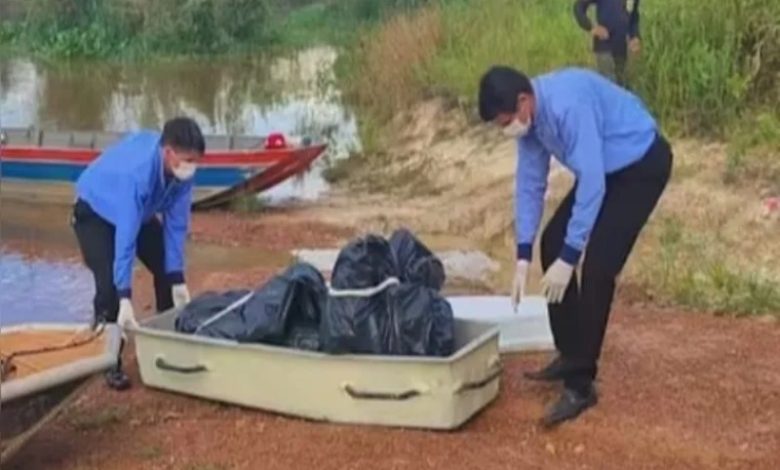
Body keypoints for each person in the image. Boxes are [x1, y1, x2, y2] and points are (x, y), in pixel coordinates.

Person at [478, 66, 672, 426]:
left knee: (598, 265)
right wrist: (523, 254)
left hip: (642, 164)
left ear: (523, 101)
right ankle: (570, 353)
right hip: (607, 168)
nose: (505, 130)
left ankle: (581, 385)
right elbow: (530, 185)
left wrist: (571, 256)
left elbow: (592, 183)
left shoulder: (568, 105)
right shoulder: (530, 124)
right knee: (552, 241)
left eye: (505, 122)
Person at [71, 117, 205, 390]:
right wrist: (125, 297)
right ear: (169, 153)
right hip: (95, 211)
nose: (192, 166)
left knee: (166, 269)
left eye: (196, 160)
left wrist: (177, 278)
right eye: (188, 160)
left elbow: (176, 227)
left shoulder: (182, 174)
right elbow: (126, 239)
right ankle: (109, 359)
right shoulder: (138, 174)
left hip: (136, 212)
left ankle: (167, 337)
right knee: (109, 286)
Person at [573, 0, 641, 87]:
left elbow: (634, 17)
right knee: (608, 84)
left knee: (621, 85)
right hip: (604, 46)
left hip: (621, 48)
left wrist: (634, 36)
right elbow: (578, 6)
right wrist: (591, 27)